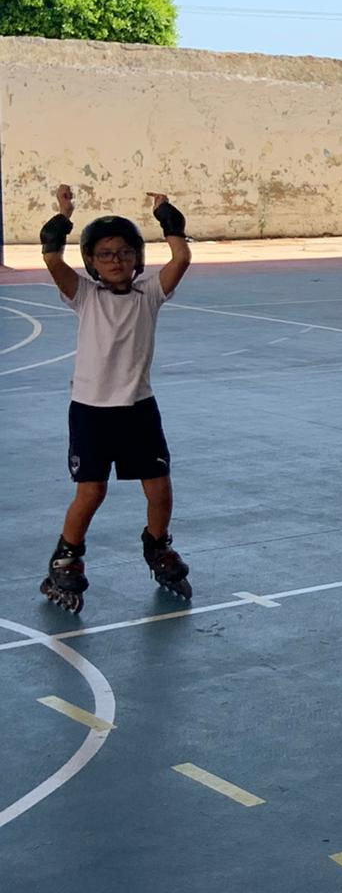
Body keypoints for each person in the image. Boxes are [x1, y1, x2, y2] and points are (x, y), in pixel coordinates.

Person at [36, 185, 194, 612]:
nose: (116, 261)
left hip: (138, 408)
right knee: (91, 492)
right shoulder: (84, 295)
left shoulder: (150, 292)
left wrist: (167, 217)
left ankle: (158, 545)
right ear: (91, 260)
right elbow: (52, 257)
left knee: (159, 488)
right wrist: (64, 215)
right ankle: (66, 556)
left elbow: (181, 258)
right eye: (105, 254)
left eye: (124, 252)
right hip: (91, 411)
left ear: (137, 256)